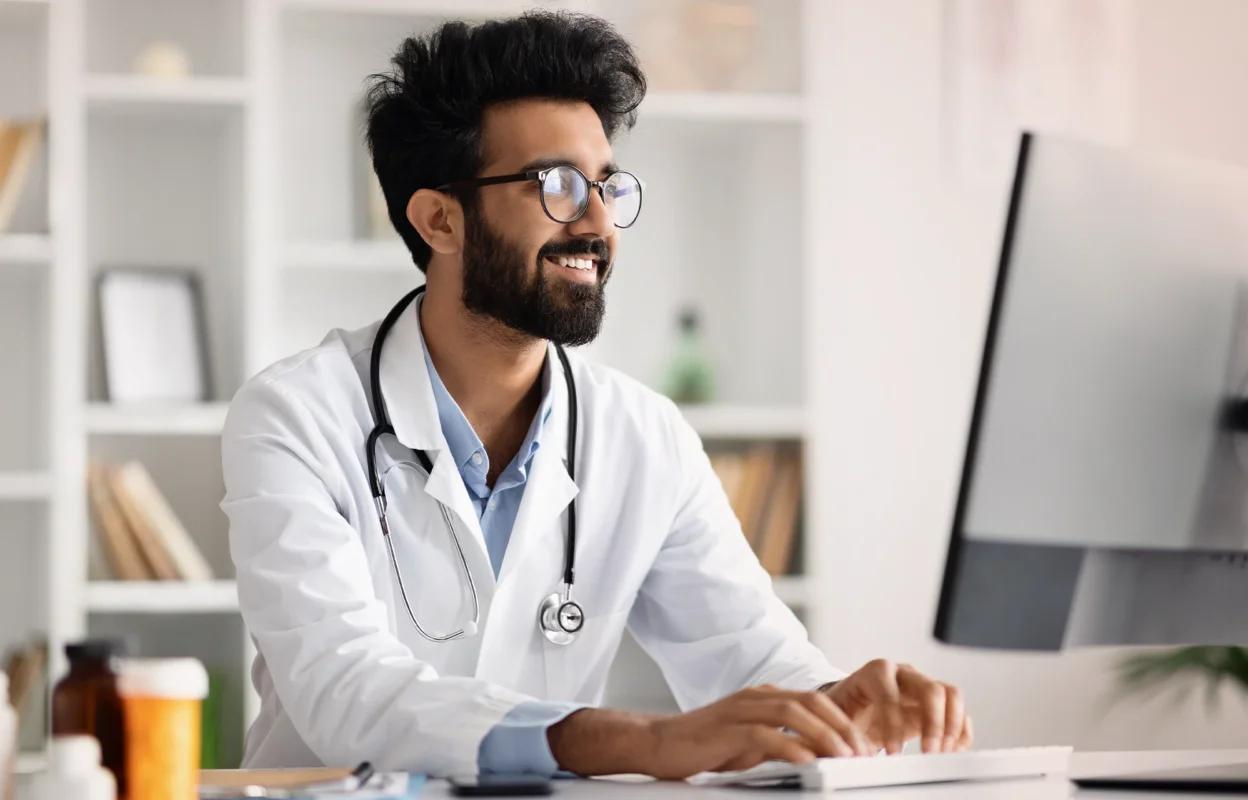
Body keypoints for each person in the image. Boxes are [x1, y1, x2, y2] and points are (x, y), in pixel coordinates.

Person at [221, 10, 971, 780]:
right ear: (439, 219)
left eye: (608, 186)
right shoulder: (295, 418)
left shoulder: (645, 436)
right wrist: (643, 744)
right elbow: (346, 692)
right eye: (558, 185)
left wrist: (834, 704)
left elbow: (751, 658)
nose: (599, 221)